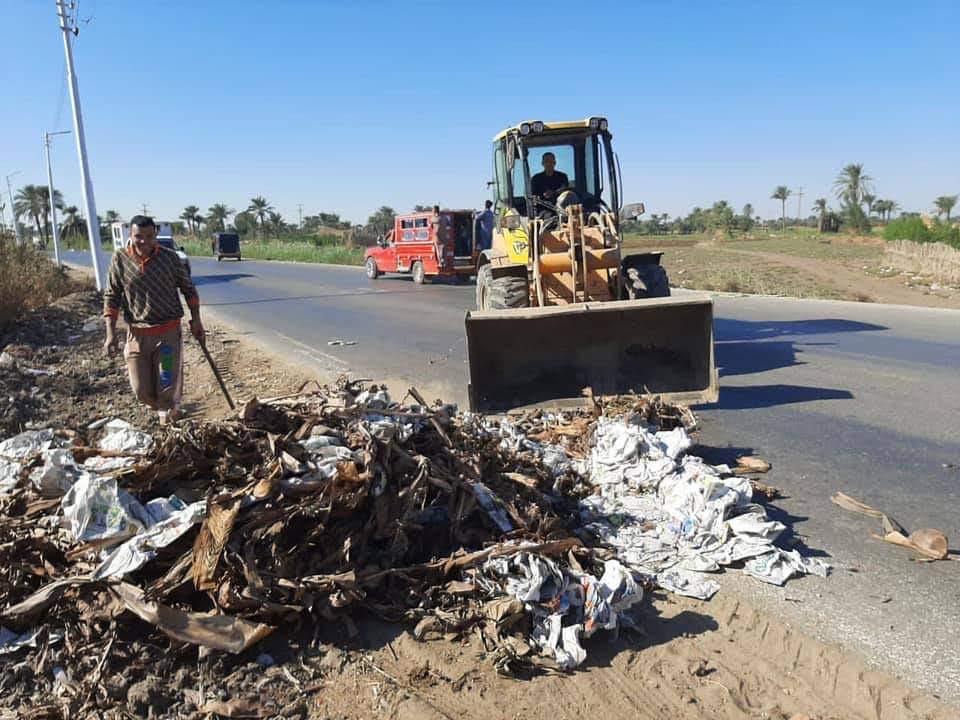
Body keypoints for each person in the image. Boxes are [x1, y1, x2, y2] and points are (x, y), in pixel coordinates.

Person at [103, 215, 204, 425]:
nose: (144, 242)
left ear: (155, 234)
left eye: (149, 236)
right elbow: (112, 296)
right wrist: (110, 333)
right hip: (137, 337)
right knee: (141, 390)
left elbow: (188, 289)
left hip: (167, 336)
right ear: (130, 236)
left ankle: (168, 422)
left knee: (166, 386)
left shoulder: (170, 258)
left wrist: (196, 320)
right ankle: (165, 410)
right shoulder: (120, 259)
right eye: (139, 236)